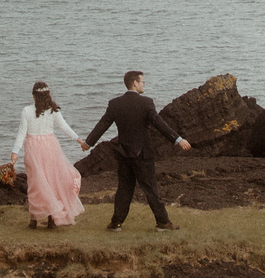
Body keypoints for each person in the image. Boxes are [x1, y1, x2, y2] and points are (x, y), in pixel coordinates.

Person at [82, 70, 190, 230]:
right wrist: (178, 139)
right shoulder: (146, 103)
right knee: (151, 189)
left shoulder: (115, 104)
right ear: (135, 83)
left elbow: (103, 124)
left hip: (124, 153)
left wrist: (88, 142)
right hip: (143, 155)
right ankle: (163, 222)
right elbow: (160, 124)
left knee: (124, 189)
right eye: (142, 82)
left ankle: (116, 223)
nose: (144, 84)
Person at [10, 81, 87, 229]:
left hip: (33, 148)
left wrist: (15, 151)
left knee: (35, 184)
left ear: (33, 96)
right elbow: (65, 127)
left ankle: (34, 219)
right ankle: (51, 218)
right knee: (51, 182)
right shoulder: (53, 110)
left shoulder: (26, 111)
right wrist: (79, 140)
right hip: (51, 147)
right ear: (47, 95)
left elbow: (21, 133)